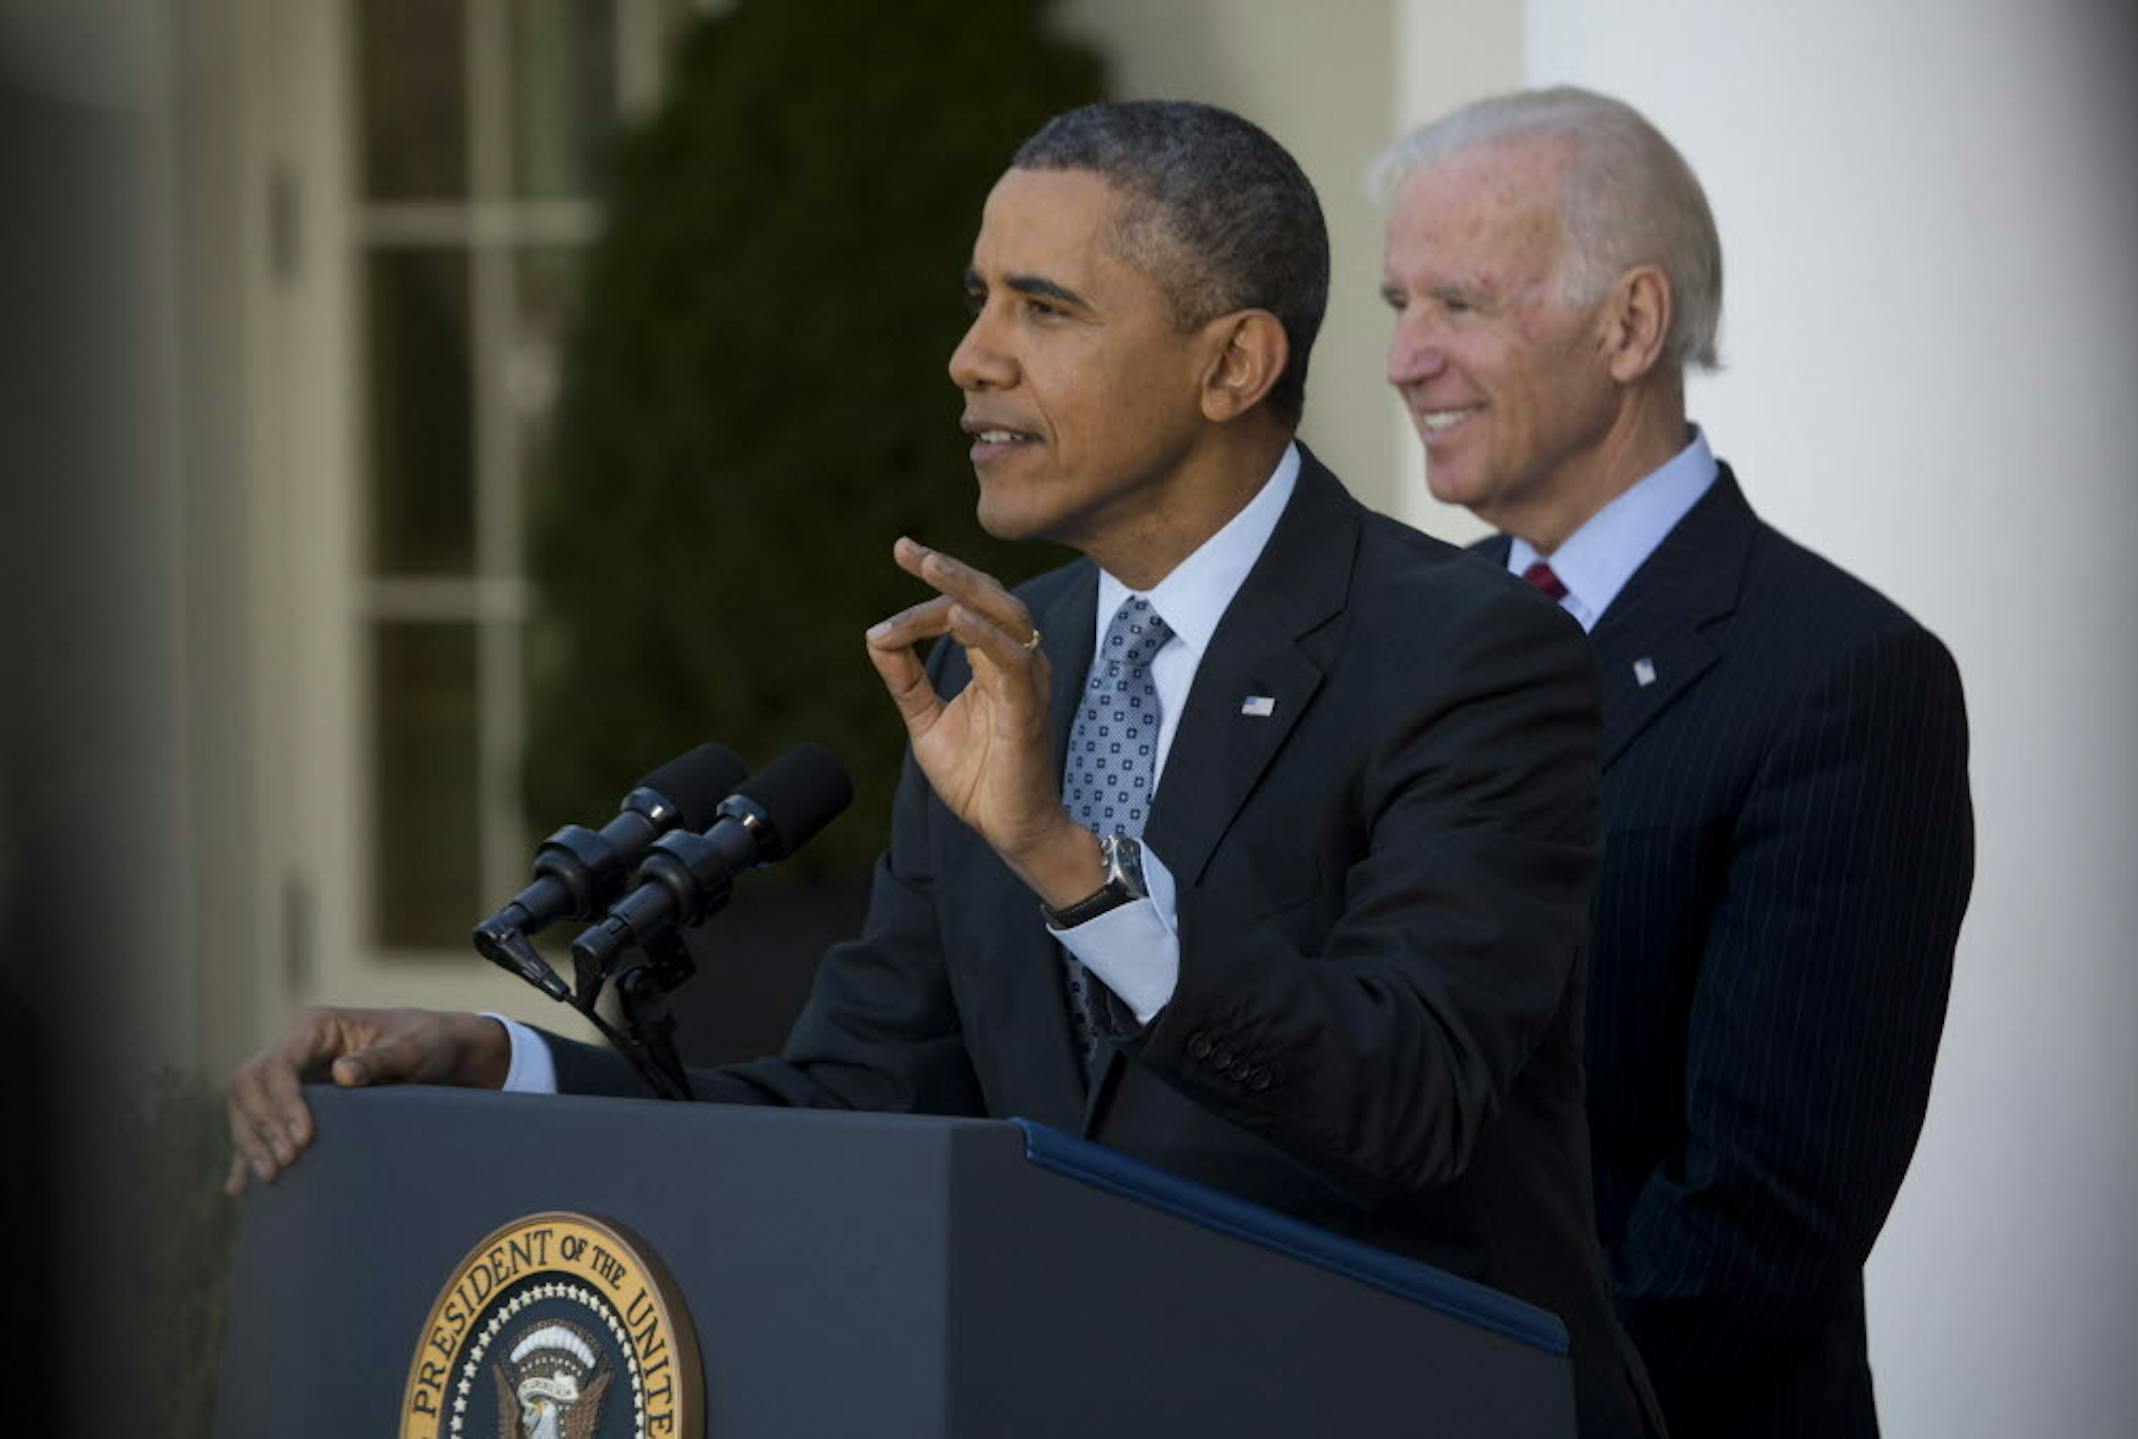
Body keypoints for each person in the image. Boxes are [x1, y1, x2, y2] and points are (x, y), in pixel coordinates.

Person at [230, 100, 1659, 1435]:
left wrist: (1067, 865)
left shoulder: (1471, 658)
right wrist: (505, 1075)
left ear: (1233, 364)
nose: (973, 356)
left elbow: (1407, 1100)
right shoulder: (999, 659)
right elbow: (861, 1105)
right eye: (979, 302)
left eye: (1044, 309)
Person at [1376, 86, 1975, 1437]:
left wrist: (1483, 1405)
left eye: (1459, 304)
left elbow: (1760, 1224)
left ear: (1632, 324)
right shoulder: (1398, 636)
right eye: (1395, 306)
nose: (1408, 359)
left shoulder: (1840, 678)